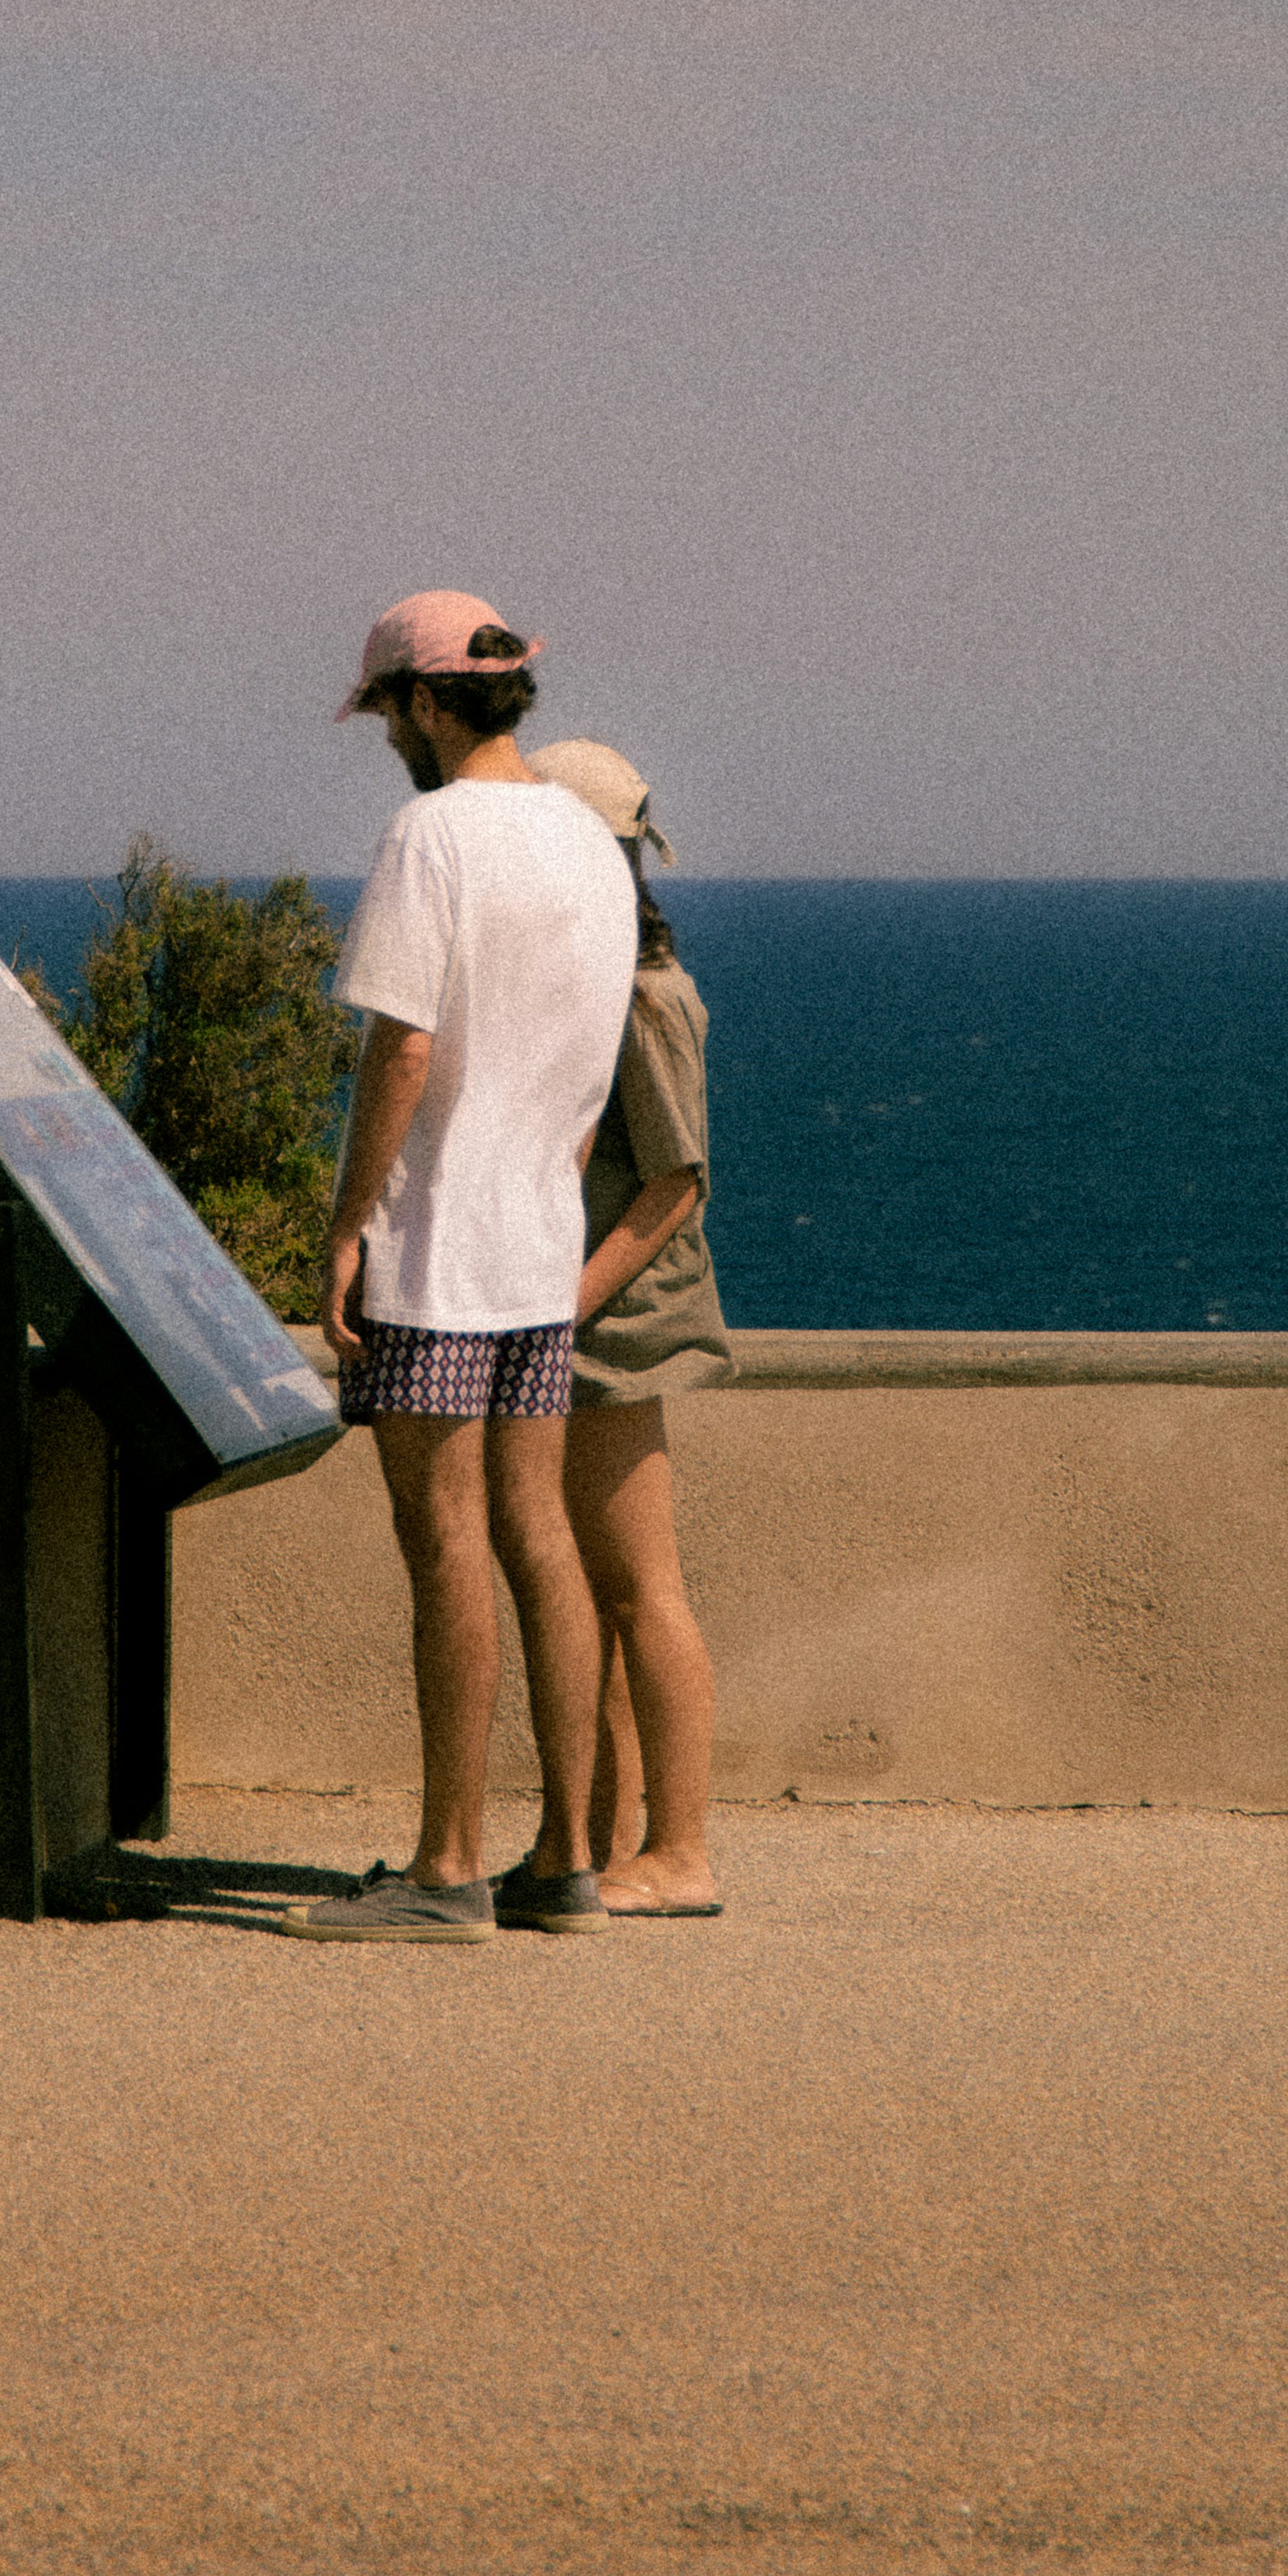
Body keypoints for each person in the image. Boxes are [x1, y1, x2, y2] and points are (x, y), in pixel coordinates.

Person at [287, 593, 640, 1943]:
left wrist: (346, 1223)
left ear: (427, 704)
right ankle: (568, 1861)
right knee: (538, 1539)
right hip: (541, 1249)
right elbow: (592, 1073)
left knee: (444, 1545)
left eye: (387, 709)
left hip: (438, 1249)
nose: (386, 732)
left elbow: (404, 1051)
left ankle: (447, 1868)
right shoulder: (590, 845)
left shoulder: (428, 835)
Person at [530, 741, 729, 1917]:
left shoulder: (645, 1001)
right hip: (590, 1315)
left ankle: (683, 1852)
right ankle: (603, 1843)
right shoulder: (605, 983)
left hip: (616, 1322)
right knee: (598, 1589)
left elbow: (674, 1187)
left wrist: (557, 1309)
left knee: (642, 1589)